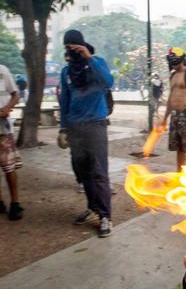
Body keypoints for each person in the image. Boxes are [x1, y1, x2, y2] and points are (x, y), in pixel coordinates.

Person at [58, 29, 114, 237]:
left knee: (99, 172)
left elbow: (108, 82)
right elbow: (64, 100)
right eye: (67, 48)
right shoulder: (66, 72)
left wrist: (88, 57)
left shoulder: (97, 62)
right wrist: (63, 127)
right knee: (83, 172)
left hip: (96, 125)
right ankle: (93, 207)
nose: (71, 51)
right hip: (75, 127)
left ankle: (105, 216)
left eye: (74, 46)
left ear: (82, 45)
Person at [0, 64, 23, 220]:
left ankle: (15, 203)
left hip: (2, 128)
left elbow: (16, 94)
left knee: (9, 167)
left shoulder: (2, 70)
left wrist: (7, 107)